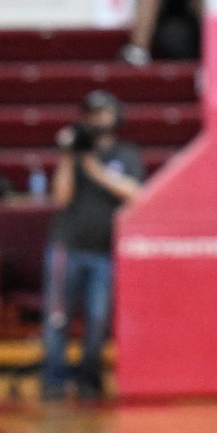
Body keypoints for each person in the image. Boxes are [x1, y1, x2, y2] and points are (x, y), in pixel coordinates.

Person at [42, 91, 144, 400]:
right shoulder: (74, 155)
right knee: (57, 318)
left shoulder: (126, 155)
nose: (98, 119)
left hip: (104, 251)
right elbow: (60, 197)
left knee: (98, 319)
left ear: (115, 116)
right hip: (67, 247)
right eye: (92, 114)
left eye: (103, 113)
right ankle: (54, 382)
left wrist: (95, 172)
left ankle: (89, 380)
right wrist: (70, 157)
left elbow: (135, 193)